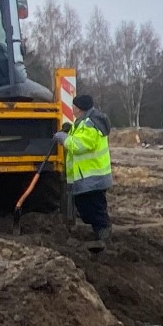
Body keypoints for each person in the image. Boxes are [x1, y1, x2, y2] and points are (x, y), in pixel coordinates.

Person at [58, 90, 113, 246]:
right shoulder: (83, 122)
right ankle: (100, 234)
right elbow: (79, 138)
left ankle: (104, 236)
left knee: (95, 208)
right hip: (88, 179)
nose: (72, 109)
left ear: (79, 108)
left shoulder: (90, 124)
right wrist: (70, 131)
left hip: (93, 178)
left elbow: (80, 145)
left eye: (73, 107)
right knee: (88, 207)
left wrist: (64, 139)